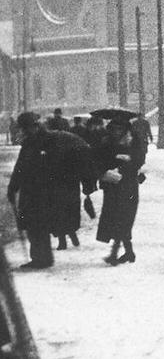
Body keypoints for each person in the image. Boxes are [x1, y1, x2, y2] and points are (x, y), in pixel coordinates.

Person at [7, 111, 98, 269]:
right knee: (33, 227)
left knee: (39, 226)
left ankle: (42, 259)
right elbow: (20, 167)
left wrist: (84, 179)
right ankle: (41, 258)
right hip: (32, 192)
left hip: (47, 193)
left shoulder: (55, 139)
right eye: (23, 129)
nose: (24, 132)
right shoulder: (29, 143)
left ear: (35, 126)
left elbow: (80, 152)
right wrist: (12, 187)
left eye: (26, 128)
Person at [93, 110, 144, 266]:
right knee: (116, 217)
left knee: (124, 217)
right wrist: (110, 165)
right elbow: (99, 159)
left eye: (120, 128)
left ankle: (115, 253)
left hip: (128, 183)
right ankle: (128, 252)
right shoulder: (106, 141)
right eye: (114, 128)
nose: (117, 131)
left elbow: (140, 159)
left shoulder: (133, 140)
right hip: (112, 184)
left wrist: (128, 160)